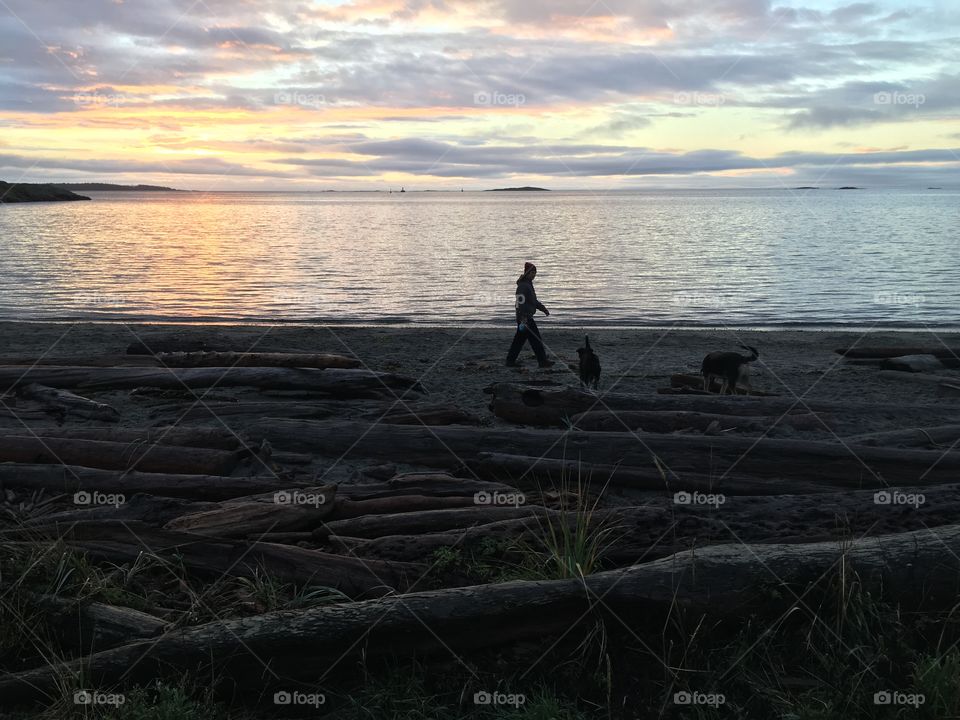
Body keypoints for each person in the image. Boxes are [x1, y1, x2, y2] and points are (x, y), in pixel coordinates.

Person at [506, 262, 555, 368]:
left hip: (525, 317)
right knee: (536, 339)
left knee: (519, 341)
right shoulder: (523, 286)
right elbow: (519, 303)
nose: (534, 275)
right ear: (527, 273)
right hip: (525, 318)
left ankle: (510, 361)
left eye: (535, 273)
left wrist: (543, 309)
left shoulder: (528, 285)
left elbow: (533, 301)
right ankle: (542, 361)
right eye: (532, 273)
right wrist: (522, 317)